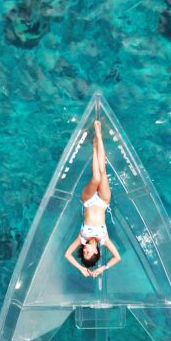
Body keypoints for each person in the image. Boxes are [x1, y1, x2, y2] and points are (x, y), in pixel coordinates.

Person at [64, 119, 121, 277]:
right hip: (103, 202)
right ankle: (97, 140)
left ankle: (97, 137)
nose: (85, 250)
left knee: (96, 177)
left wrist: (81, 268)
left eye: (84, 253)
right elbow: (117, 257)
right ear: (96, 252)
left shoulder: (81, 239)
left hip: (88, 200)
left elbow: (67, 255)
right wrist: (102, 268)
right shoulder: (104, 240)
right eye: (89, 253)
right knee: (102, 171)